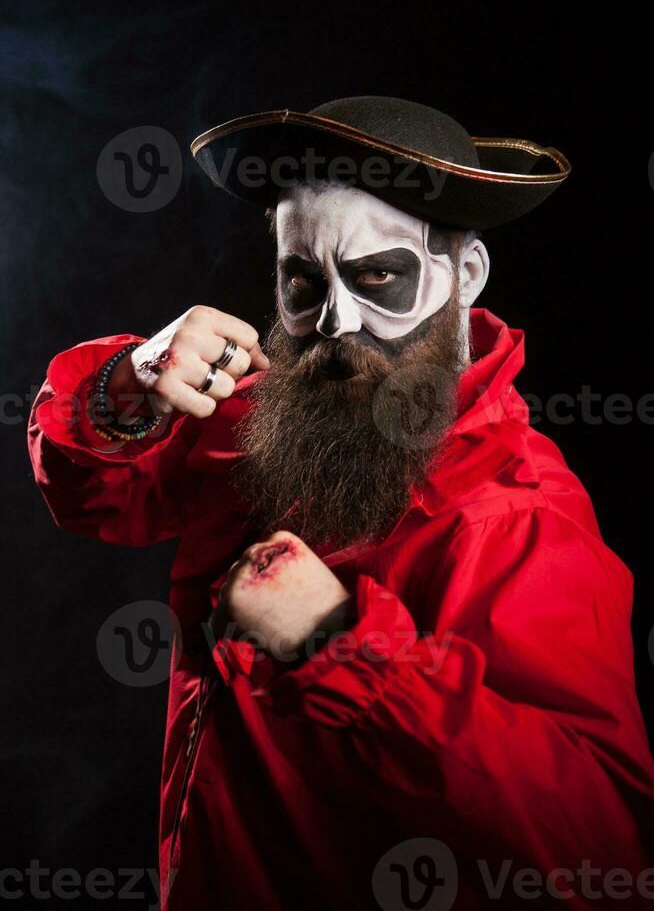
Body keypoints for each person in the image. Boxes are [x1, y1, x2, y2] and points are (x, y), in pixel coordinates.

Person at [28, 97, 654, 910]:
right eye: (302, 282)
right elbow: (97, 499)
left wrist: (339, 647)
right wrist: (135, 383)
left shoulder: (520, 518)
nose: (336, 321)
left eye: (378, 277)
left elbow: (600, 851)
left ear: (463, 276)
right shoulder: (266, 416)